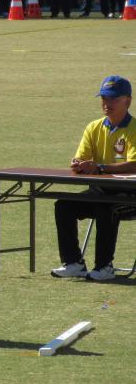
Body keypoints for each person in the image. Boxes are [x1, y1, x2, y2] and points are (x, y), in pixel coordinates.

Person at [51, 76, 135, 282]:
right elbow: (82, 158)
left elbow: (135, 164)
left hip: (130, 196)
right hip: (100, 192)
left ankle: (104, 267)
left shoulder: (134, 129)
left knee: (106, 208)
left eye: (113, 99)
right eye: (104, 98)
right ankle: (74, 263)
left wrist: (99, 167)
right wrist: (79, 165)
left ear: (128, 101)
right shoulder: (93, 127)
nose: (107, 104)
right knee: (64, 206)